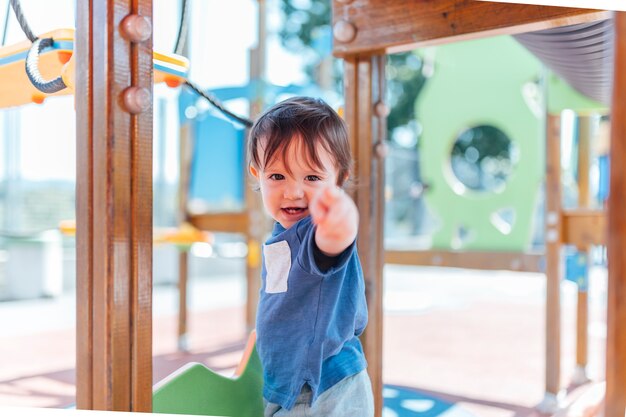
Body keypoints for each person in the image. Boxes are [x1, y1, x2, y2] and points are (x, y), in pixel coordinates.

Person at [247, 96, 373, 416]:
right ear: (257, 175)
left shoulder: (315, 233)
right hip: (289, 384)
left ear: (340, 180)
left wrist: (339, 214)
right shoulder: (280, 236)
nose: (293, 192)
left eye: (312, 178)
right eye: (277, 176)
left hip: (321, 388)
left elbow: (334, 238)